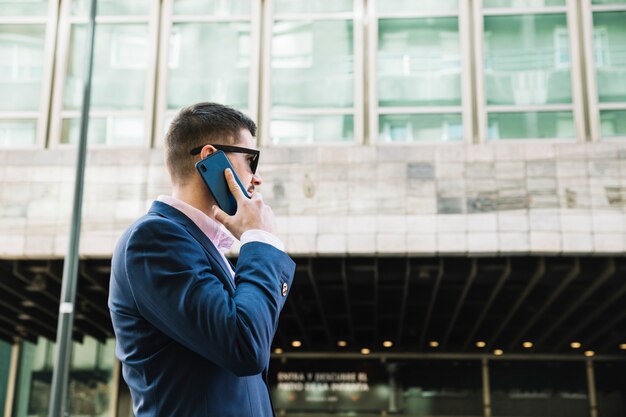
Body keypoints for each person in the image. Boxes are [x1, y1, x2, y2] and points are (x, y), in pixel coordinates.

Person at [108, 102, 295, 417]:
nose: (257, 178)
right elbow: (244, 346)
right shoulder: (153, 240)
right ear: (210, 158)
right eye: (251, 160)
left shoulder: (200, 247)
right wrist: (260, 239)